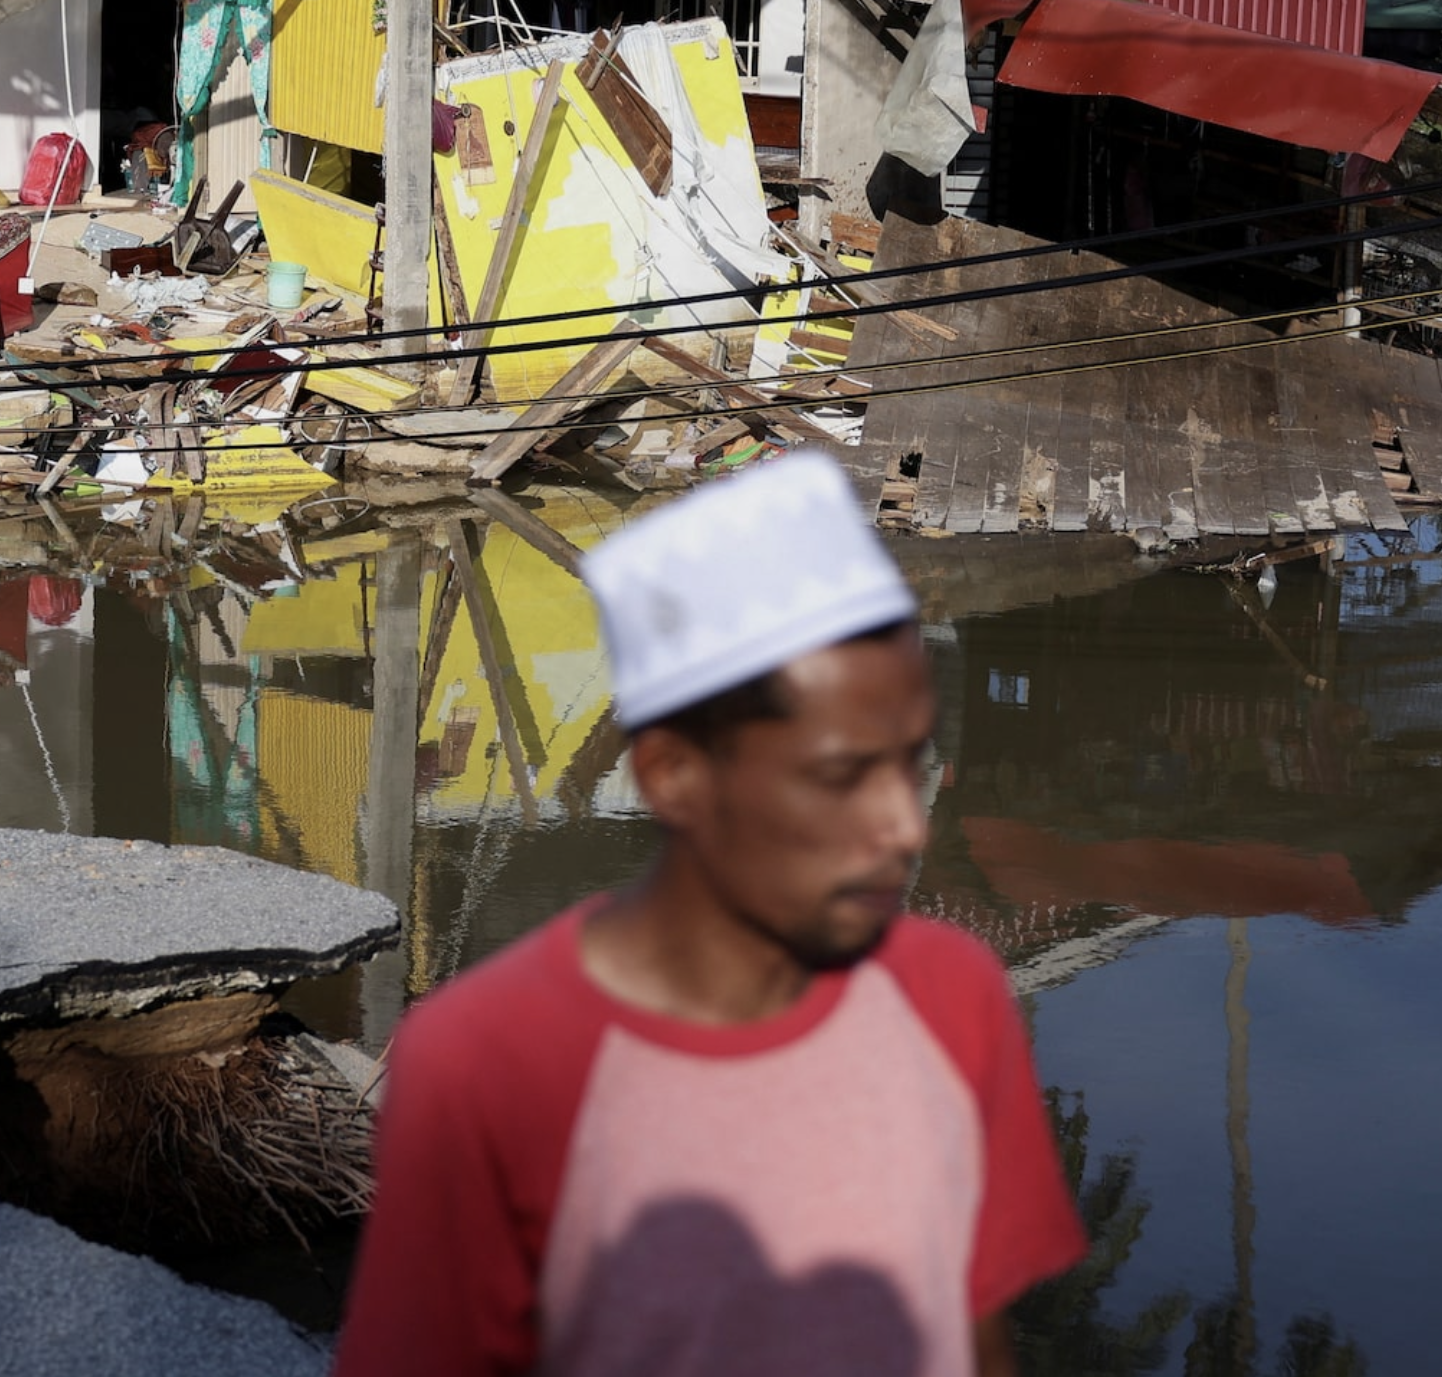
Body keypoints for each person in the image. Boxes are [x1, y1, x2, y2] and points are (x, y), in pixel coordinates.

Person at [333, 451, 1082, 1377]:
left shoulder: (949, 1000)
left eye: (909, 761)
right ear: (674, 776)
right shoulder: (474, 1059)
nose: (900, 826)